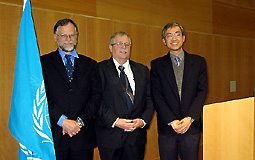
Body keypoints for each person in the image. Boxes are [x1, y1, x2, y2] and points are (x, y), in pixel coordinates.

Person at [40, 19, 101, 160]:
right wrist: (63, 121)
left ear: (77, 36)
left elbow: (96, 96)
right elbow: (42, 96)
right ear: (55, 37)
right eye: (63, 36)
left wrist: (79, 122)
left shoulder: (91, 64)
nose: (68, 39)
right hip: (54, 137)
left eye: (72, 35)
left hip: (83, 136)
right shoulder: (43, 63)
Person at [150, 23, 208, 160]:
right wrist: (172, 121)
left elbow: (202, 91)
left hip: (191, 127)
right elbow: (156, 95)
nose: (173, 38)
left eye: (177, 34)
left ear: (183, 37)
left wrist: (189, 118)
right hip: (167, 129)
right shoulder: (156, 65)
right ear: (164, 41)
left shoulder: (199, 62)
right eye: (169, 36)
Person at [95, 31, 154, 160]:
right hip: (110, 136)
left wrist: (143, 121)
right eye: (119, 43)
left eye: (127, 44)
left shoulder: (142, 70)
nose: (124, 47)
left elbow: (150, 99)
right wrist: (116, 121)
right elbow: (96, 101)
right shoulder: (99, 69)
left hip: (136, 137)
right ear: (111, 48)